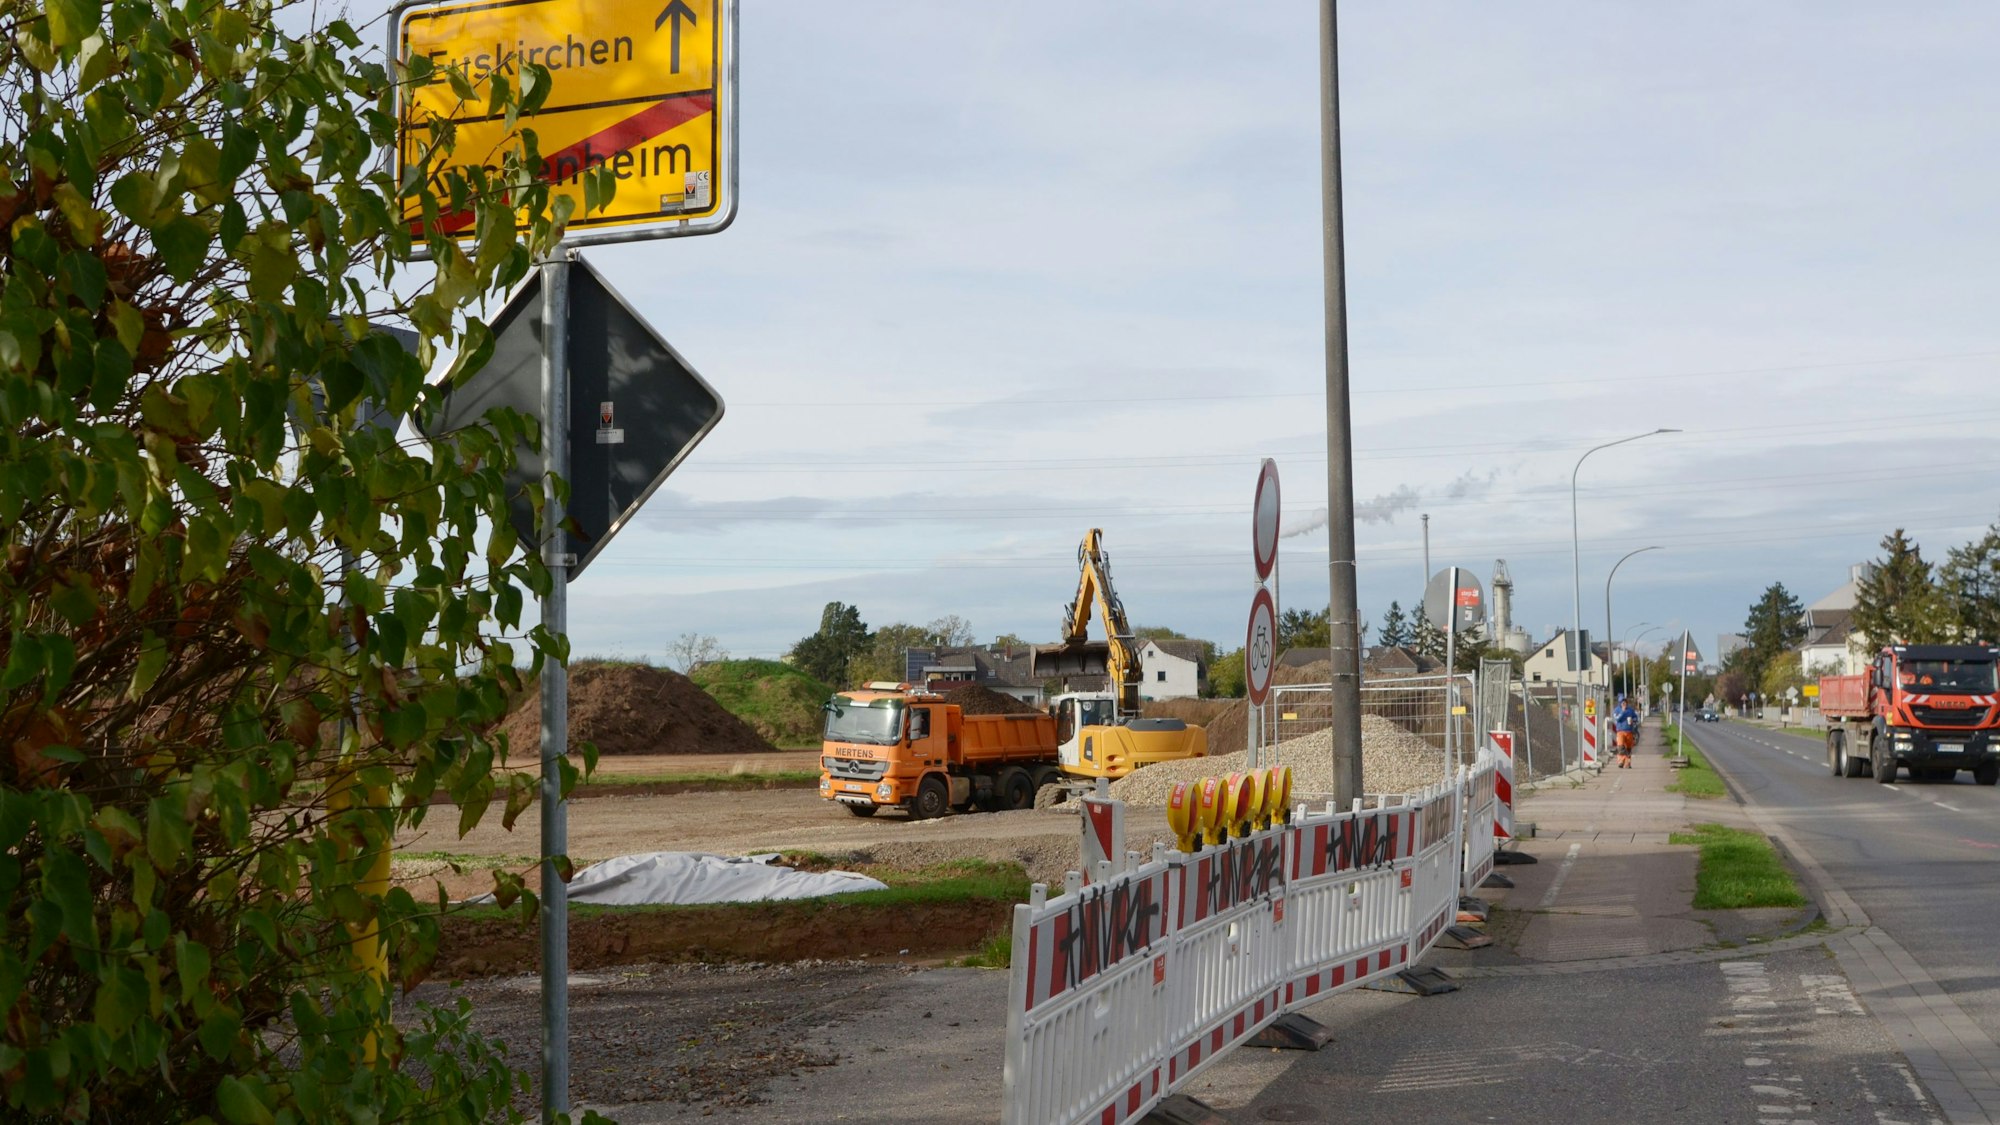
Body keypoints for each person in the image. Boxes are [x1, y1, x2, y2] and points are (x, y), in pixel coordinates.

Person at [1613, 695, 1640, 768]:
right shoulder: (1616, 710)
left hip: (1629, 731)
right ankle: (1621, 761)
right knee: (1620, 747)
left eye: (1625, 701)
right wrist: (1622, 711)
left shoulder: (1630, 710)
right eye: (1622, 702)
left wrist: (1633, 720)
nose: (1624, 703)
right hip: (1620, 731)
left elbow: (1635, 717)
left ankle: (1627, 763)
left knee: (1628, 748)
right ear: (1620, 703)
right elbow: (1617, 719)